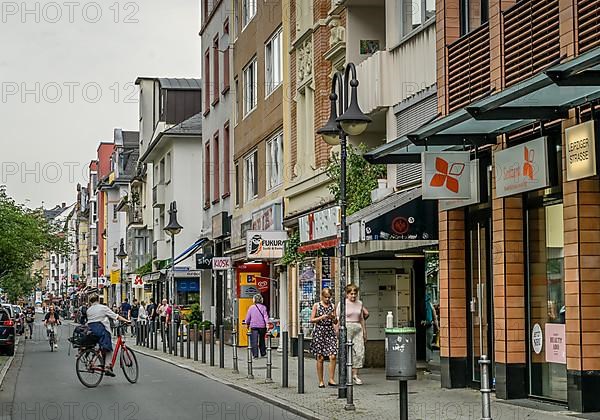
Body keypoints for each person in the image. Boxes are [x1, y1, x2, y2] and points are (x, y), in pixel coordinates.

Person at [86, 293, 130, 377]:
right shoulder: (103, 308)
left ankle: (94, 360)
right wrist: (126, 321)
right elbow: (116, 316)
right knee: (109, 348)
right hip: (101, 330)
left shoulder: (89, 310)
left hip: (91, 330)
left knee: (100, 346)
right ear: (98, 300)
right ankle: (107, 367)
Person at [337, 284, 369, 385]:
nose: (353, 296)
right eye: (351, 294)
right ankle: (344, 374)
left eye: (355, 294)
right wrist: (337, 331)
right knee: (345, 351)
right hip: (347, 327)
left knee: (359, 352)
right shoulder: (342, 304)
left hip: (357, 327)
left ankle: (355, 374)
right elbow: (338, 318)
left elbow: (362, 318)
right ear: (347, 294)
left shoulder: (359, 303)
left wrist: (364, 331)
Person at [310, 288, 338, 388]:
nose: (327, 299)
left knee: (333, 355)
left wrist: (333, 318)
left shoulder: (333, 306)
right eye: (325, 297)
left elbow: (335, 322)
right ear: (322, 296)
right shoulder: (316, 305)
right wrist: (321, 317)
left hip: (330, 331)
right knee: (320, 357)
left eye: (329, 297)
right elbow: (312, 319)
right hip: (319, 332)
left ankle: (331, 379)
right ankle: (321, 381)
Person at [244, 294, 270, 359]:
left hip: (254, 326)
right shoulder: (264, 307)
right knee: (262, 339)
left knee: (254, 340)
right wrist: (267, 324)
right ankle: (263, 353)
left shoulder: (251, 308)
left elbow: (248, 317)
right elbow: (265, 317)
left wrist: (246, 323)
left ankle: (255, 355)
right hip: (262, 326)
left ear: (254, 300)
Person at [421, 291, 439, 369]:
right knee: (429, 343)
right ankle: (429, 358)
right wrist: (438, 328)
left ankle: (427, 358)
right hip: (429, 326)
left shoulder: (421, 304)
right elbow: (435, 318)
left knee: (425, 343)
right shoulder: (430, 305)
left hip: (422, 326)